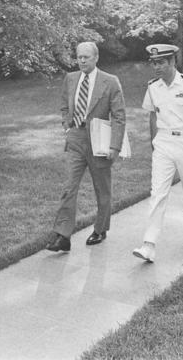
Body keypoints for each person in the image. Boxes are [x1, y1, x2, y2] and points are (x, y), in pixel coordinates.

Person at [132, 44, 183, 263]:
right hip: (164, 143)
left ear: (172, 62)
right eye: (153, 63)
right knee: (157, 192)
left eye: (160, 63)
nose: (155, 67)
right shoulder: (152, 87)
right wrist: (154, 143)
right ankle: (149, 244)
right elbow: (152, 116)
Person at [46, 42, 126, 252]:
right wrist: (67, 126)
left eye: (86, 57)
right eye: (79, 57)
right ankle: (63, 236)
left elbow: (119, 117)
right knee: (68, 188)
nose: (81, 61)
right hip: (76, 141)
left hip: (99, 143)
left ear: (96, 57)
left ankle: (100, 229)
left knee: (102, 189)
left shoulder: (110, 82)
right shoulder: (71, 79)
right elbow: (64, 106)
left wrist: (114, 146)